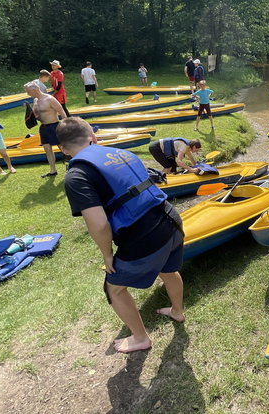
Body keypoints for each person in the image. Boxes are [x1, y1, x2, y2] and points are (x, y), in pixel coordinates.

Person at [57, 117, 185, 354]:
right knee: (168, 270)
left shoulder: (76, 176)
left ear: (63, 149)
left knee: (114, 288)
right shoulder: (121, 153)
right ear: (93, 137)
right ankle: (177, 312)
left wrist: (107, 255)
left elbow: (99, 225)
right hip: (171, 219)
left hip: (145, 235)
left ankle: (140, 338)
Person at [25, 81, 66, 177]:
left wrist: (65, 126)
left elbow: (61, 111)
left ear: (34, 90)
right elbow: (35, 115)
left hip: (54, 126)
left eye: (28, 92)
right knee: (47, 149)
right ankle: (53, 170)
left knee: (63, 148)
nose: (28, 94)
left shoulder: (50, 99)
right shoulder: (35, 100)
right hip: (43, 127)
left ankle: (71, 168)